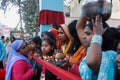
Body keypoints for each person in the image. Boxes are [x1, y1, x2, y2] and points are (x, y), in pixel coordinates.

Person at [77, 14, 120, 80]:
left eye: (88, 34)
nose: (83, 37)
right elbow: (79, 27)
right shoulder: (89, 50)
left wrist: (97, 35)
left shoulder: (111, 55)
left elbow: (92, 62)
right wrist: (86, 10)